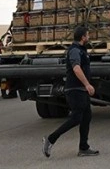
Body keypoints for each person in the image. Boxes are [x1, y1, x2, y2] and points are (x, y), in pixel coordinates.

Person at [42, 26, 99, 158]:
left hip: (81, 90)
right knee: (76, 118)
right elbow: (76, 69)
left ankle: (84, 148)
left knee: (86, 117)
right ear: (83, 37)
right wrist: (87, 84)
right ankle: (51, 139)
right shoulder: (74, 51)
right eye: (88, 35)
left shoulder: (81, 50)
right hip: (75, 89)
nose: (89, 37)